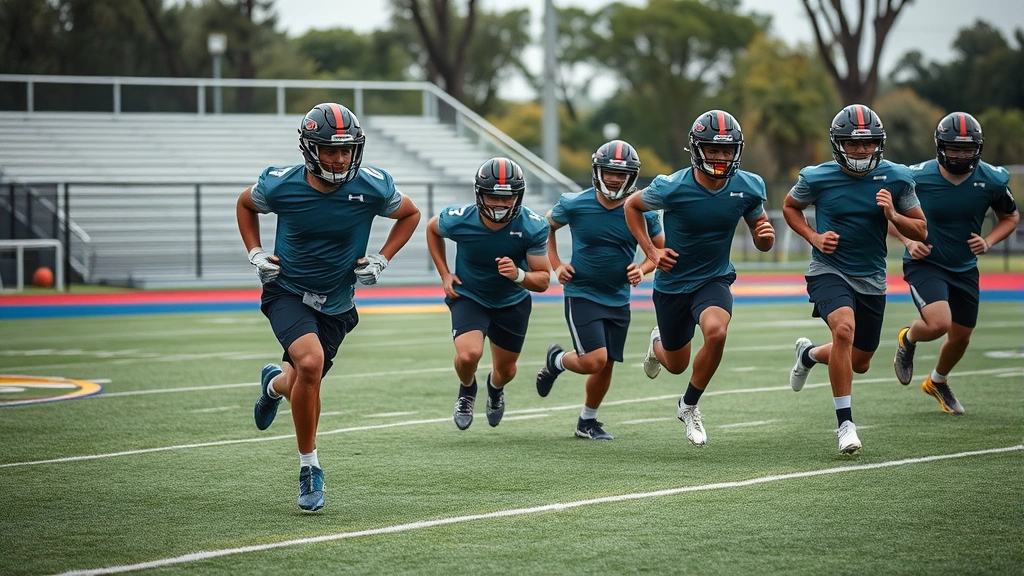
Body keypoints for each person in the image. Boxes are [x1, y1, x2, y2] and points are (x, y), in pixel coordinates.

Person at [236, 102, 421, 511]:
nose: (339, 159)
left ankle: (272, 385)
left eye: (345, 150)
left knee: (302, 378)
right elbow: (246, 204)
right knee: (311, 363)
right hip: (287, 290)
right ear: (309, 149)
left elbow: (410, 214)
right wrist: (255, 253)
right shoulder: (281, 183)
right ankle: (309, 467)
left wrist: (381, 258)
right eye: (329, 150)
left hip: (337, 301)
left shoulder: (373, 186)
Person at [624, 110, 775, 448]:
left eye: (726, 150)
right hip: (673, 284)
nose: (720, 157)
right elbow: (631, 207)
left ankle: (689, 405)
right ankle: (656, 344)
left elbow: (762, 238)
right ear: (696, 149)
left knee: (717, 332)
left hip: (714, 278)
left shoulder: (749, 186)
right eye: (712, 149)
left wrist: (765, 236)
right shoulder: (672, 186)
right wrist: (651, 252)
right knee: (676, 364)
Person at [784, 104, 927, 455]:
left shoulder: (896, 177)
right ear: (838, 144)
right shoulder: (817, 177)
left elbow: (921, 229)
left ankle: (808, 355)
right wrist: (814, 238)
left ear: (879, 143)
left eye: (867, 143)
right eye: (852, 143)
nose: (861, 149)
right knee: (844, 330)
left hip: (871, 277)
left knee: (859, 360)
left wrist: (893, 213)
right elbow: (790, 207)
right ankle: (845, 425)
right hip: (828, 270)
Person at [890, 112, 1019, 414]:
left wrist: (989, 241)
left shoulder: (991, 178)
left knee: (961, 337)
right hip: (927, 262)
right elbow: (886, 214)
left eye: (967, 149)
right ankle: (907, 339)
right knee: (939, 323)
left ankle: (938, 381)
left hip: (964, 266)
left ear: (978, 148)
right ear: (940, 147)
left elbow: (1010, 216)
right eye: (954, 149)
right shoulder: (915, 176)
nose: (961, 155)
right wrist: (909, 241)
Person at [535, 140, 664, 440]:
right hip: (582, 292)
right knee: (594, 359)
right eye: (609, 172)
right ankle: (556, 361)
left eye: (622, 174)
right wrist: (555, 264)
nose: (615, 179)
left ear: (631, 177)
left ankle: (587, 422)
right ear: (597, 171)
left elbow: (659, 251)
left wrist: (642, 268)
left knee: (606, 364)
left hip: (619, 296)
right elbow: (545, 229)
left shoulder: (642, 210)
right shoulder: (574, 202)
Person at [425, 157, 551, 430]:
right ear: (479, 194)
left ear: (518, 197)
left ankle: (494, 389)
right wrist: (445, 273)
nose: (500, 204)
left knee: (506, 371)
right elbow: (432, 229)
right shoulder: (460, 219)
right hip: (471, 295)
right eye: (493, 196)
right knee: (469, 355)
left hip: (512, 301)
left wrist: (518, 274)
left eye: (508, 198)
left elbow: (543, 281)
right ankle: (467, 389)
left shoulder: (532, 225)